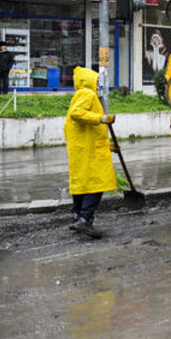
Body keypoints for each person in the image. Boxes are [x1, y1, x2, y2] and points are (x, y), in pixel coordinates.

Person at [64, 66, 117, 239]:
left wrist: (108, 146)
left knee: (83, 183)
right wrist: (100, 118)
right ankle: (84, 220)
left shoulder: (80, 94)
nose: (98, 84)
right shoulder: (87, 93)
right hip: (89, 151)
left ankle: (79, 215)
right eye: (96, 80)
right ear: (88, 81)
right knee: (96, 184)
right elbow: (76, 114)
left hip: (85, 148)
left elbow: (85, 129)